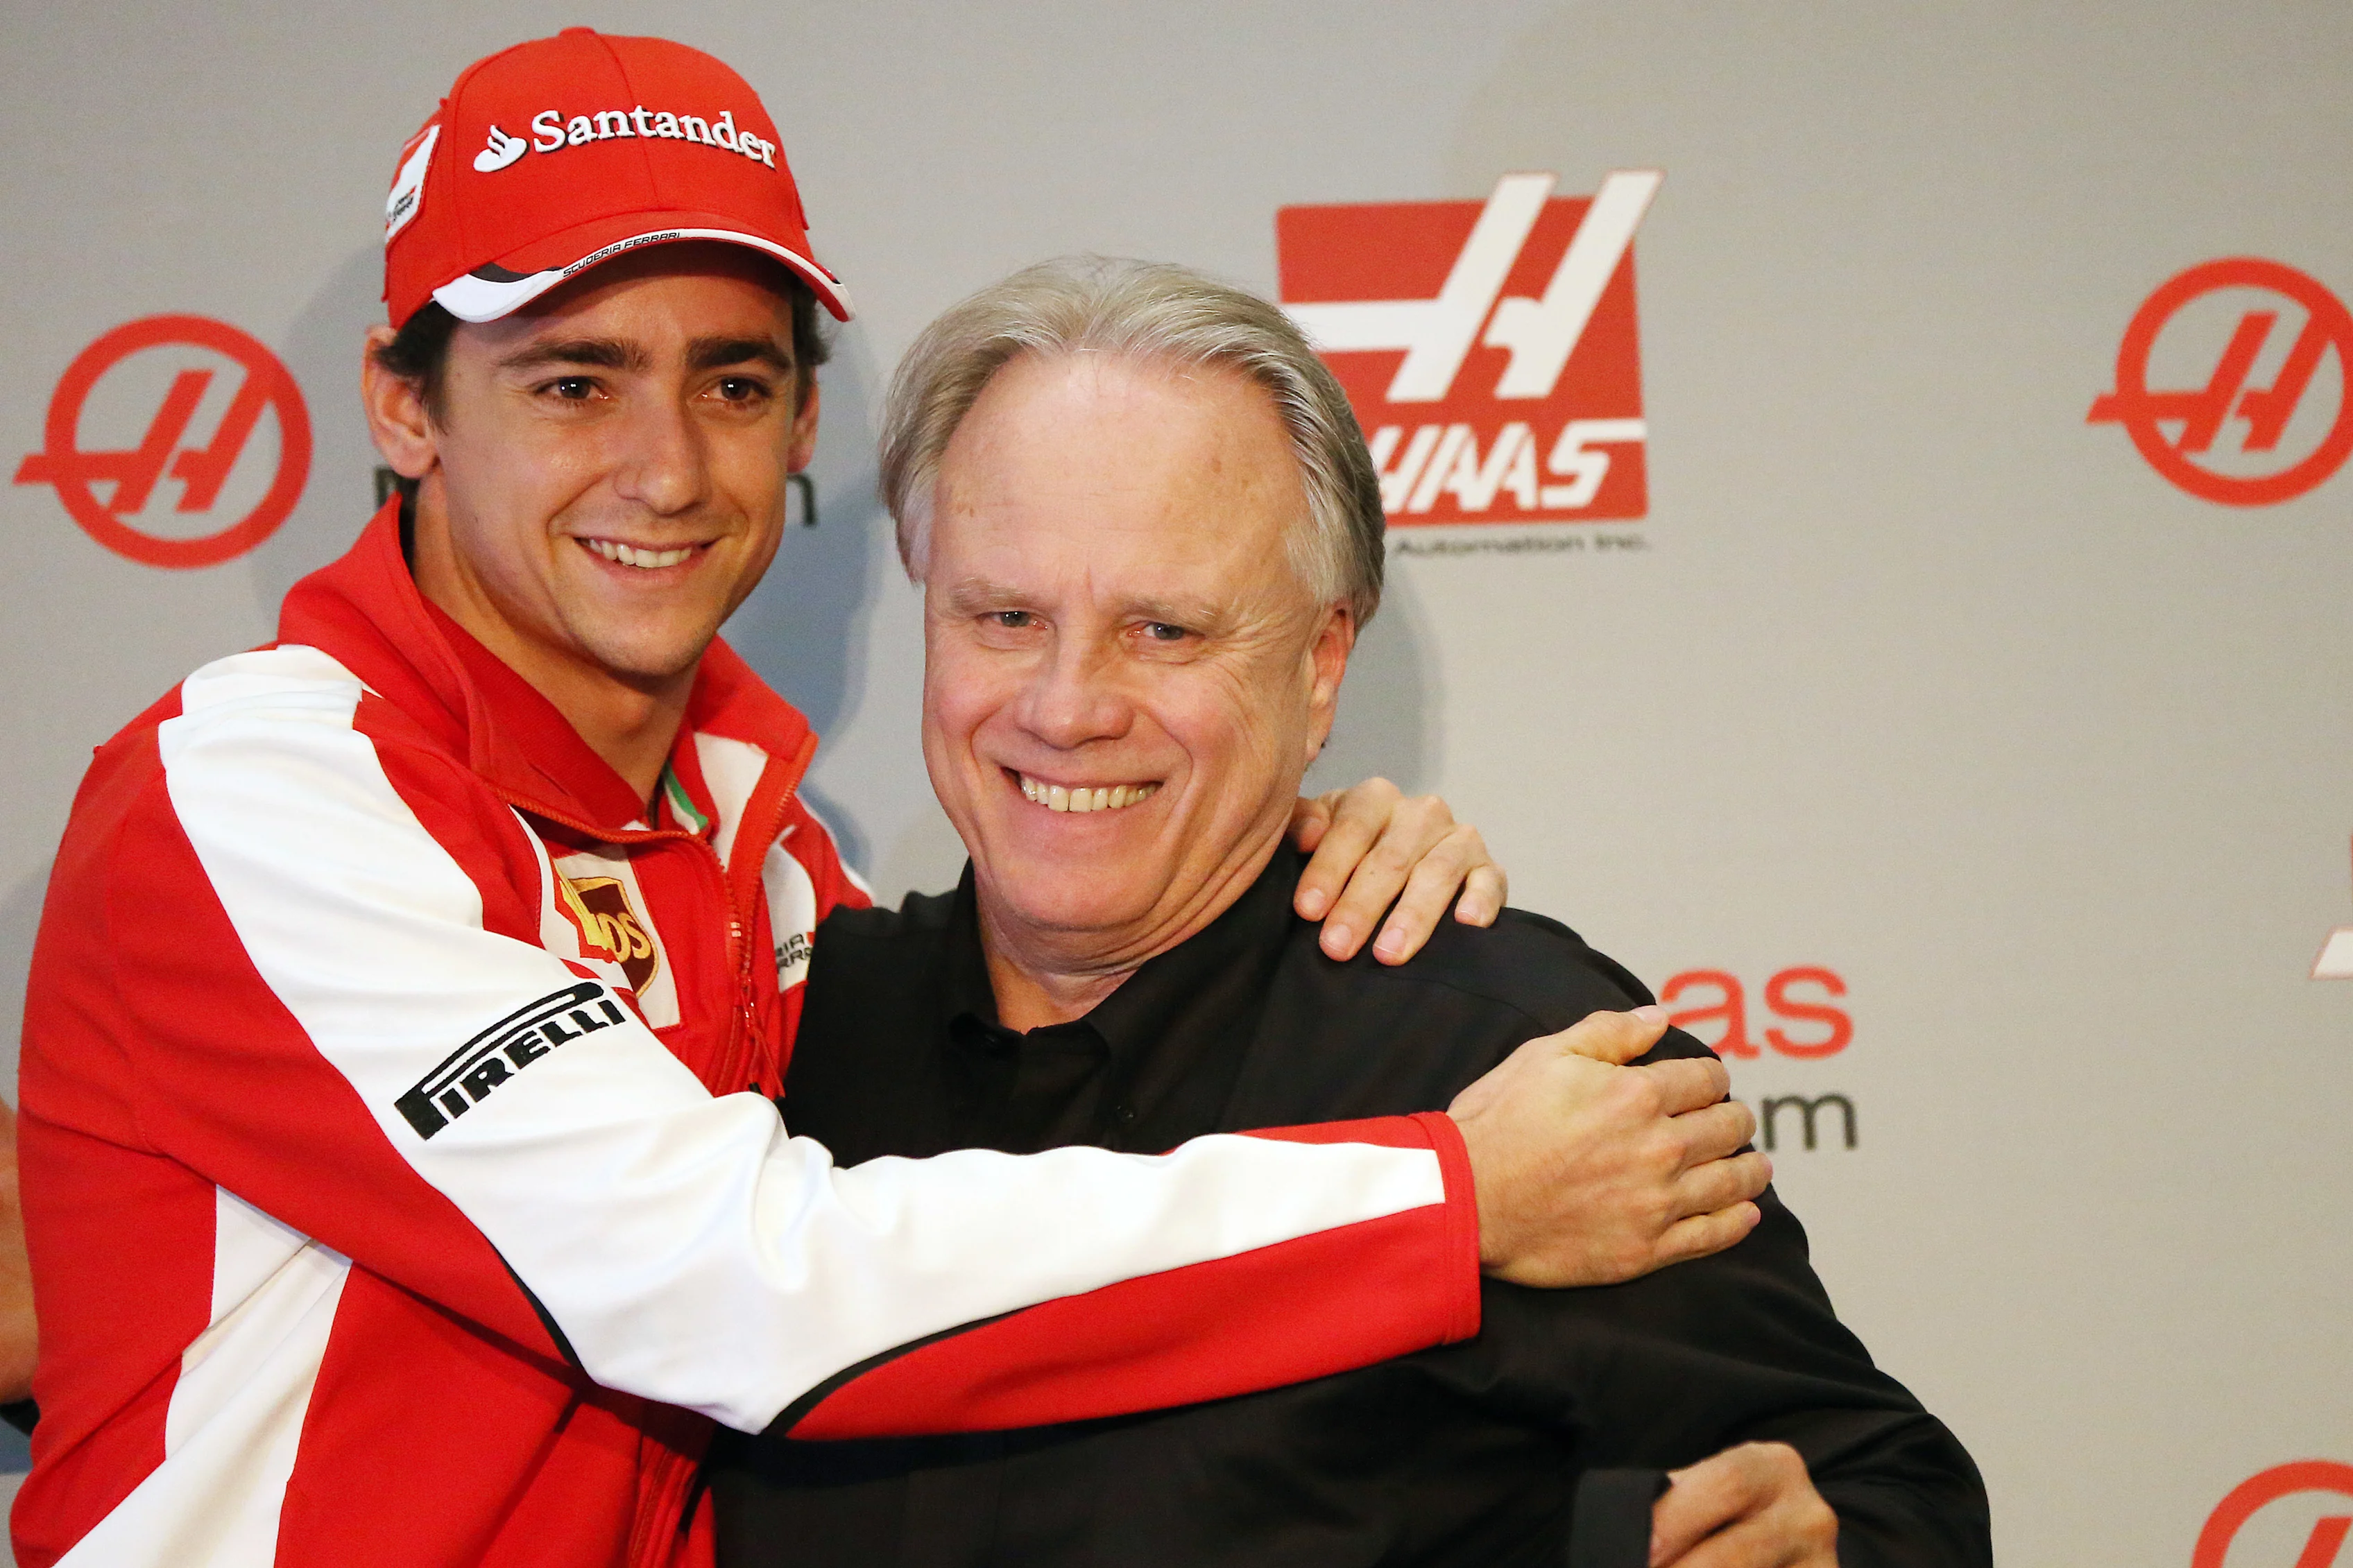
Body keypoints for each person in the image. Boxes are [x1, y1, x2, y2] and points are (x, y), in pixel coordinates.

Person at [11, 31, 1772, 1568]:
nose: (665, 466)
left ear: (800, 426)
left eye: (733, 380)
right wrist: (1448, 1199)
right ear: (404, 407)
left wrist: (1283, 839)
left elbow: (994, 1198)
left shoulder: (764, 856)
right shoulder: (262, 790)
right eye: (573, 381)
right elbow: (740, 1286)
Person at [706, 257, 1992, 1567]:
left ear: (1320, 664)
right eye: (1005, 615)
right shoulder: (770, 1031)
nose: (1067, 706)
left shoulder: (1517, 1064)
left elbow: (1888, 1504)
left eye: (1164, 631)